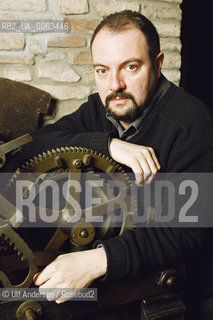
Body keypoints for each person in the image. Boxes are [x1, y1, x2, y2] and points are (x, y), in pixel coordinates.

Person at [7, 10, 213, 319]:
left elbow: (187, 233)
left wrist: (95, 262)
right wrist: (109, 145)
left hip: (171, 286)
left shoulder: (191, 122)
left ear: (157, 64)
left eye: (130, 67)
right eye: (102, 70)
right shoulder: (101, 108)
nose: (114, 84)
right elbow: (31, 148)